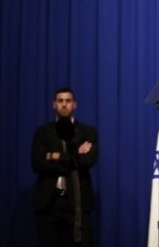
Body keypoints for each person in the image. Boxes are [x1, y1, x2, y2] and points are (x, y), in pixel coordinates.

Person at [31, 87, 98, 247]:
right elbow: (37, 164)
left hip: (78, 201)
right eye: (60, 101)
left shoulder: (87, 132)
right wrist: (74, 157)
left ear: (74, 105)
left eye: (68, 101)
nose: (64, 105)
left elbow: (88, 161)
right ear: (54, 105)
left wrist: (55, 156)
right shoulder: (43, 132)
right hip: (49, 202)